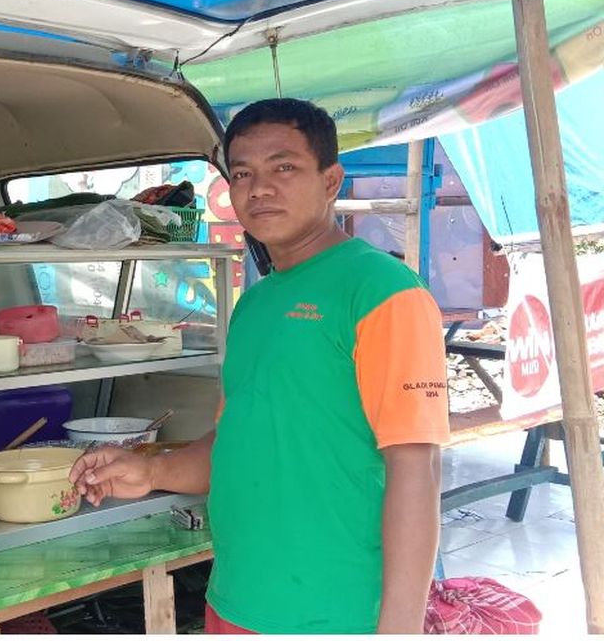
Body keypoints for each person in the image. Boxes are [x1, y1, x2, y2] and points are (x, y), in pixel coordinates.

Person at [70, 98, 449, 634]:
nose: (259, 188)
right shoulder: (256, 302)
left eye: (284, 167)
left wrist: (400, 628)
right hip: (235, 600)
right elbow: (233, 442)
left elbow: (417, 468)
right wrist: (149, 470)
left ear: (331, 180)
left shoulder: (382, 293)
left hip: (332, 612)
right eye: (243, 173)